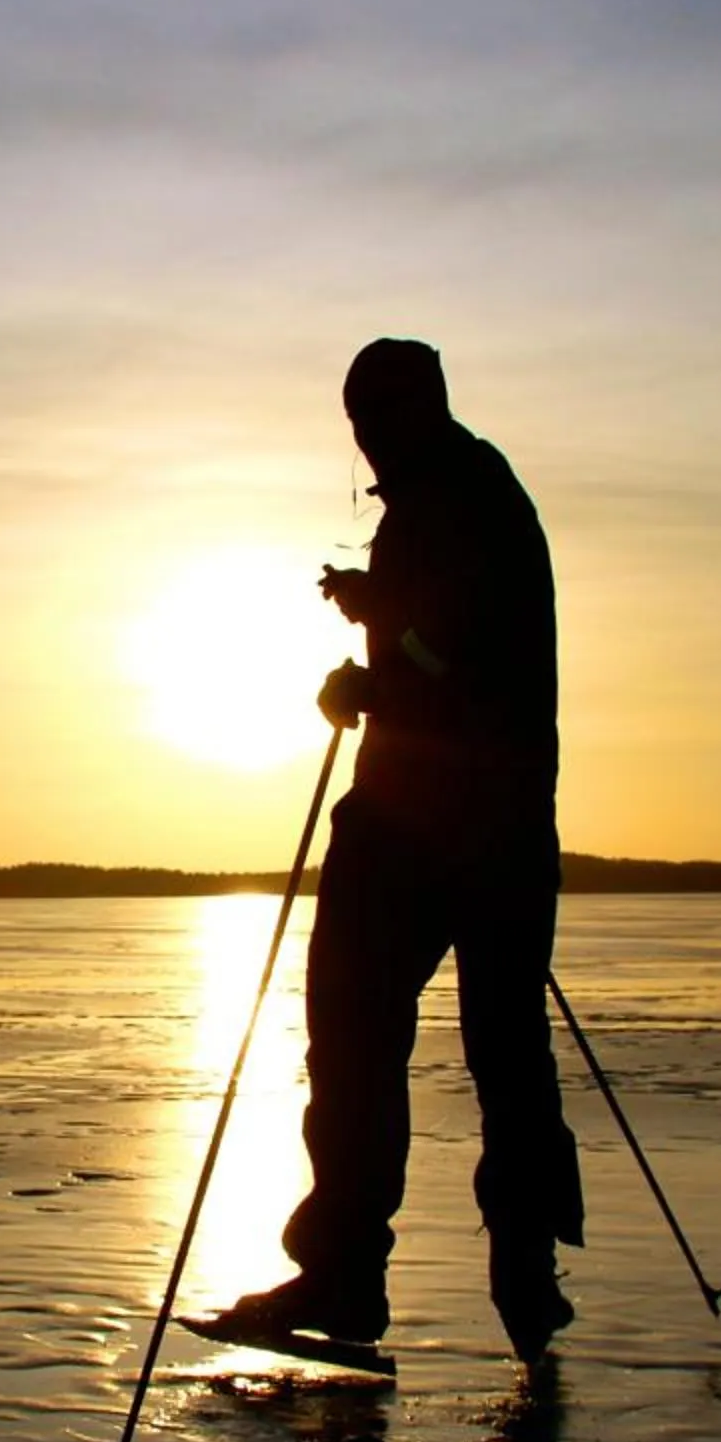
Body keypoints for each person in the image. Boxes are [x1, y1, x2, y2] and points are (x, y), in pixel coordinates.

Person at [207, 338, 584, 1362]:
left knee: (412, 1034)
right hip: (459, 819)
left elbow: (463, 649)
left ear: (417, 410)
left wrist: (370, 678)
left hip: (450, 822)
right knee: (432, 1041)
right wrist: (378, 613)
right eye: (357, 425)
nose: (367, 442)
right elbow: (437, 629)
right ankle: (443, 1271)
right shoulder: (442, 496)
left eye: (376, 420)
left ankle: (470, 1268)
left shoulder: (466, 498)